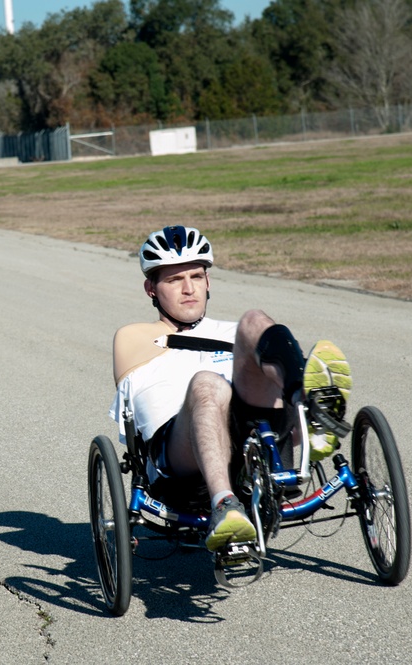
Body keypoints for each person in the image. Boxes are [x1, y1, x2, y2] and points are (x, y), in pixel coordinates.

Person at [109, 225, 352, 551]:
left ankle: (309, 409)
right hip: (179, 458)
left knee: (255, 320)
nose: (188, 289)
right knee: (207, 384)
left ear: (208, 281)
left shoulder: (235, 331)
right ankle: (224, 505)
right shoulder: (133, 336)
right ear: (150, 289)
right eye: (173, 280)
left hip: (255, 437)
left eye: (196, 276)